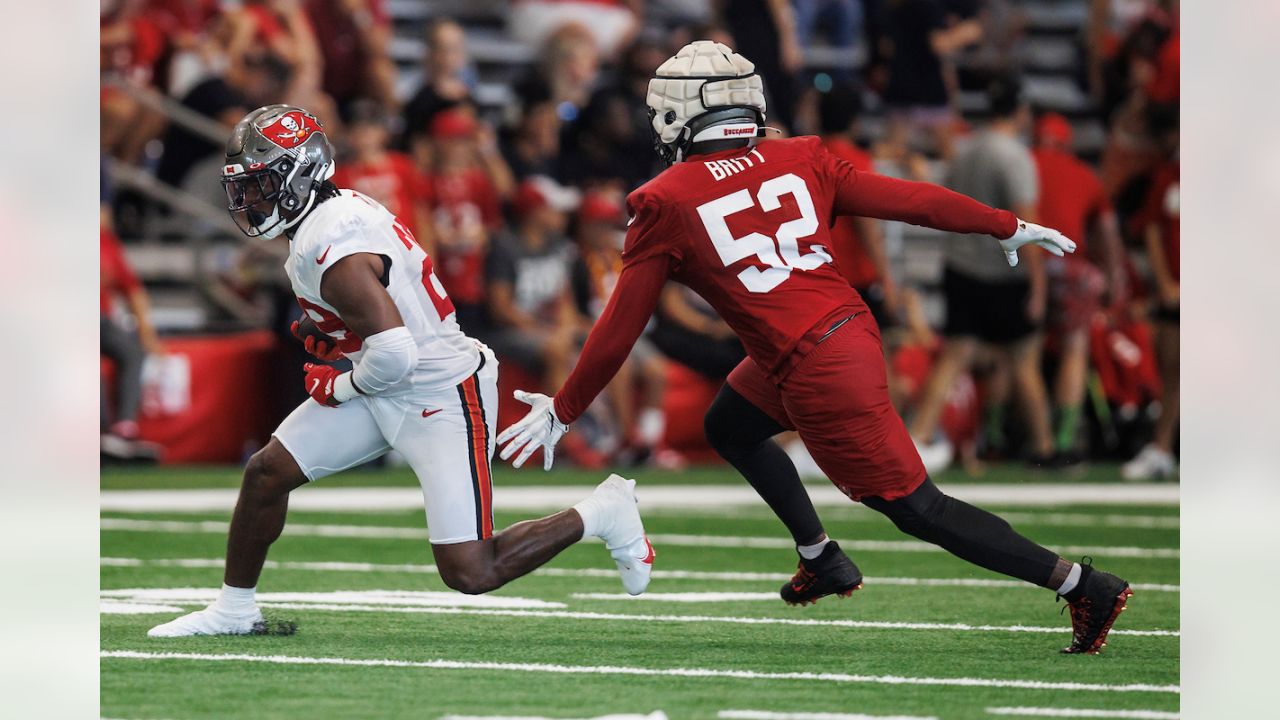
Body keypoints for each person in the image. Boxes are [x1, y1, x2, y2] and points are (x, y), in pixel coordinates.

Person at [496, 41, 1131, 656]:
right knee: (732, 424)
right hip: (840, 329)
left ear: (676, 114)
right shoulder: (800, 156)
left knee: (918, 508)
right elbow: (908, 200)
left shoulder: (664, 200)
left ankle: (1083, 585)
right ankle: (819, 556)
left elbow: (618, 329)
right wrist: (1003, 223)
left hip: (813, 362)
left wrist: (565, 408)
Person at [147, 105, 653, 638]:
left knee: (471, 570)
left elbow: (396, 353)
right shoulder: (332, 214)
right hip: (388, 378)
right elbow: (383, 325)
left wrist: (338, 381)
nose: (250, 199)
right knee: (268, 472)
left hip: (440, 390)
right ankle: (233, 610)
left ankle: (603, 511)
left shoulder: (330, 243)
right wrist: (342, 338)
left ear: (301, 174)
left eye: (262, 182)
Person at [907, 76, 1056, 471]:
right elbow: (1029, 223)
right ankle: (1044, 446)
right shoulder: (1014, 156)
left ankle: (918, 436)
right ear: (1020, 112)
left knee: (954, 356)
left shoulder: (965, 151)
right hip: (1002, 272)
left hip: (961, 266)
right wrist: (1039, 286)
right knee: (1024, 360)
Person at [1031, 113, 1126, 461]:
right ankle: (1064, 439)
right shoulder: (1083, 173)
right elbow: (1107, 233)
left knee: (1020, 352)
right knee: (1075, 349)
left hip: (1025, 266)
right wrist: (1115, 280)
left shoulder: (1023, 162)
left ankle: (1003, 436)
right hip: (1072, 268)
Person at [1122, 103, 1179, 480]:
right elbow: (1155, 229)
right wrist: (1165, 283)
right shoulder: (1168, 173)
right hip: (1179, 288)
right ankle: (1162, 446)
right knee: (1173, 365)